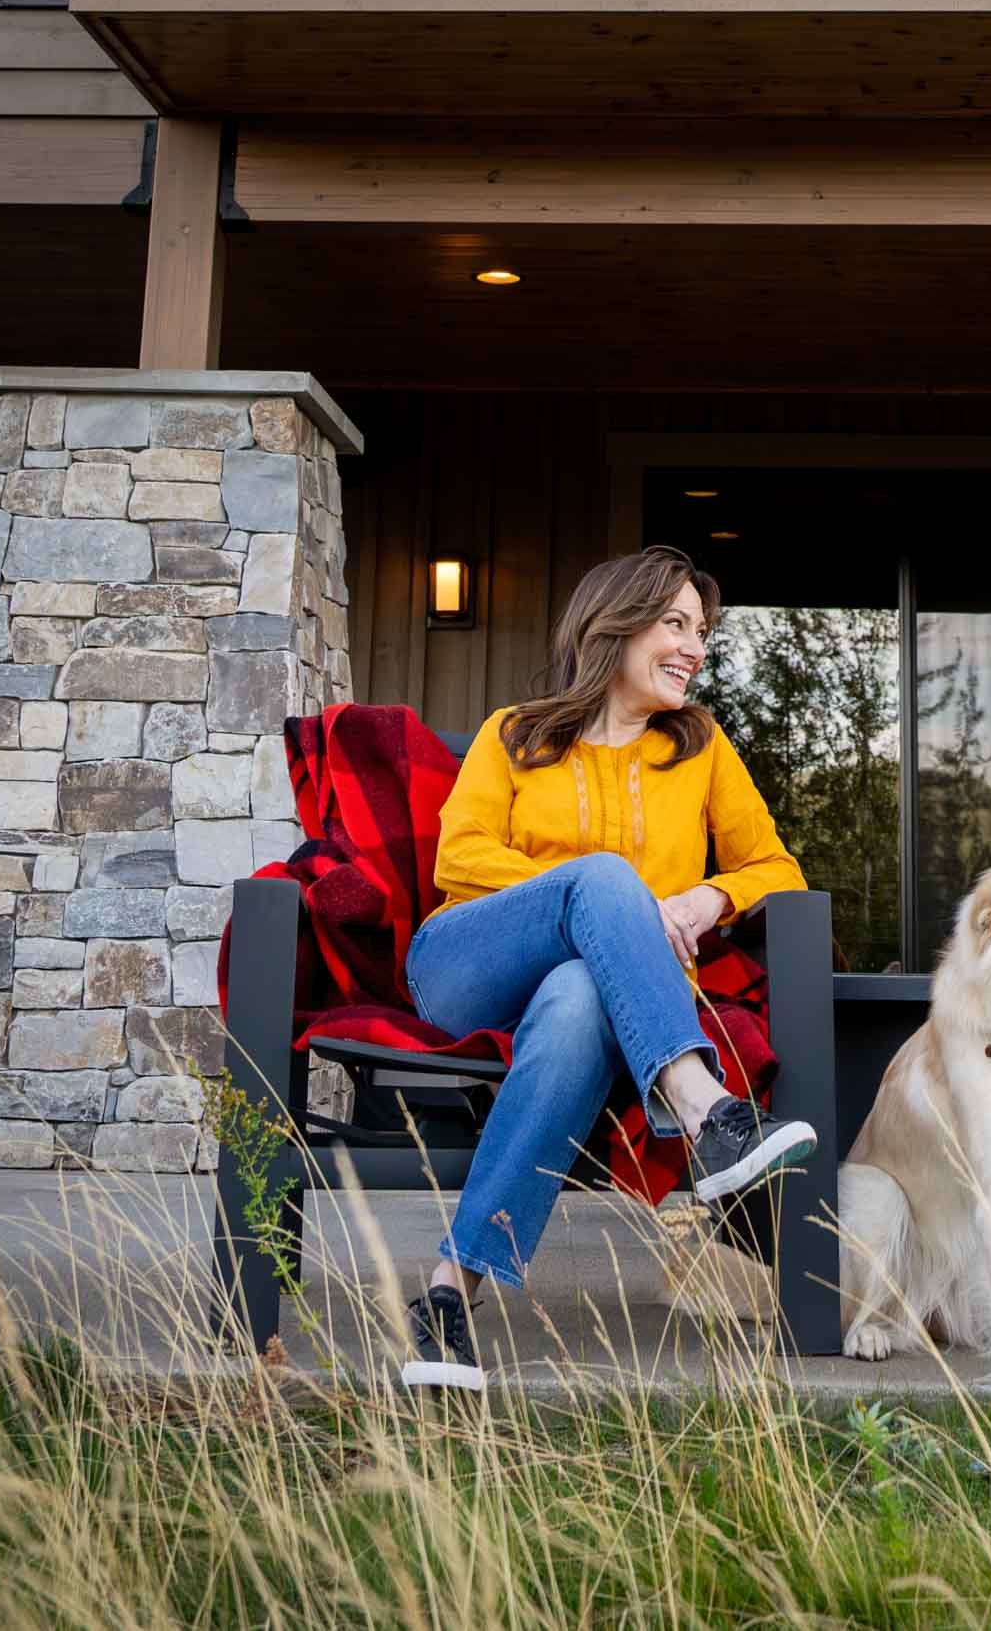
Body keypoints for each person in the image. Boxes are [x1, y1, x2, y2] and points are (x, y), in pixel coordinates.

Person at [399, 547, 817, 1390]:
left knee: (583, 992)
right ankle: (704, 1109)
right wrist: (607, 900)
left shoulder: (698, 750)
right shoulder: (516, 733)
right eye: (675, 625)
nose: (695, 648)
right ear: (614, 626)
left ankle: (451, 1290)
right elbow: (460, 854)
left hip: (591, 997)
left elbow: (776, 868)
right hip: (467, 964)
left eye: (702, 631)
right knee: (603, 880)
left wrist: (705, 901)